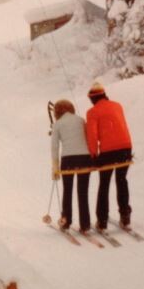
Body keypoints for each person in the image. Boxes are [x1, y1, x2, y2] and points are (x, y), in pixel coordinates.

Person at [85, 82, 133, 230]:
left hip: (108, 152)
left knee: (104, 184)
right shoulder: (117, 106)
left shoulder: (92, 112)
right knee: (121, 180)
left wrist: (93, 155)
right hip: (126, 148)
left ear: (92, 98)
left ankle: (102, 220)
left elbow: (92, 136)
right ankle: (125, 216)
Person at [50, 99, 93, 233]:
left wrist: (55, 167)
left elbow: (54, 147)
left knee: (67, 191)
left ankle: (66, 221)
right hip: (84, 158)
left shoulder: (57, 124)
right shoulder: (81, 120)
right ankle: (85, 224)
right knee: (83, 191)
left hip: (68, 159)